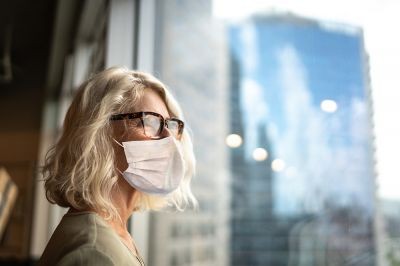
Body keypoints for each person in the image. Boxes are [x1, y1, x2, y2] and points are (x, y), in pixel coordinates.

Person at [38, 67, 198, 266]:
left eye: (171, 125)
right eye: (149, 121)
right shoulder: (94, 251)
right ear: (99, 134)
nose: (169, 138)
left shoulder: (112, 231)